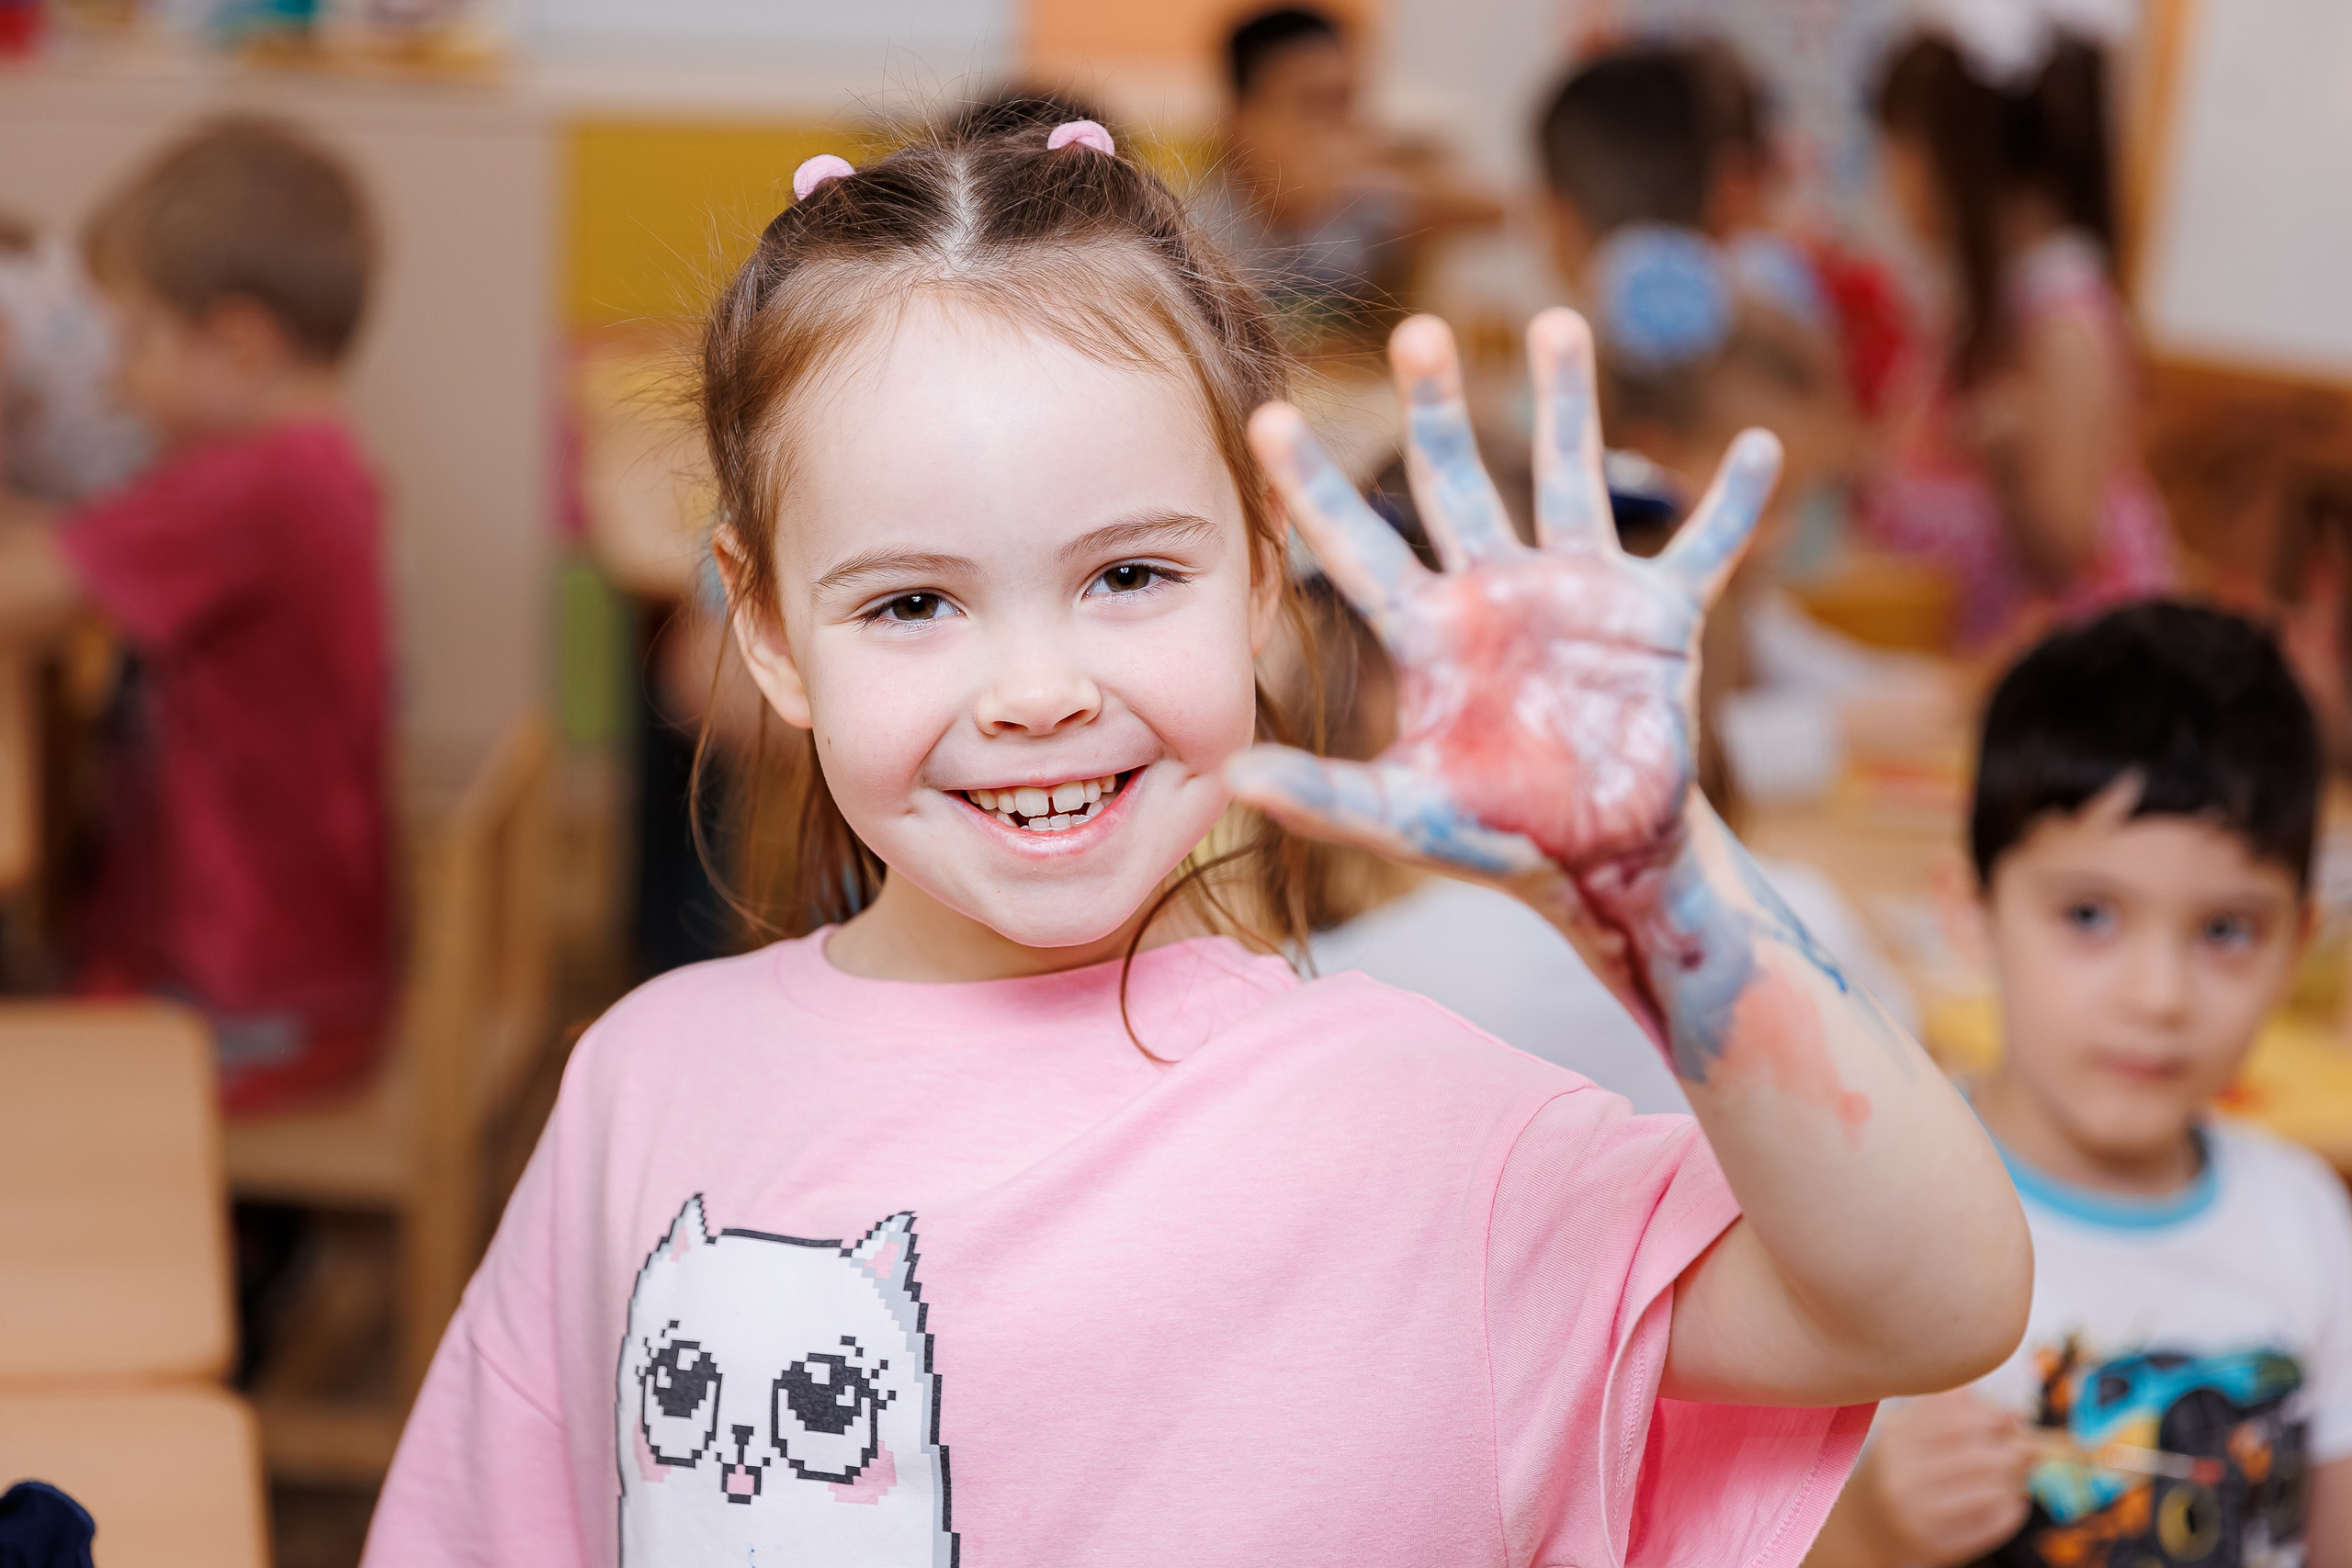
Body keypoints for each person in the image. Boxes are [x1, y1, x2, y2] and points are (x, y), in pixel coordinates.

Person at [362, 118, 2029, 1566]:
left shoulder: (1423, 1130)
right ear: (773, 630)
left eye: (1130, 575)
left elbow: (1931, 1301)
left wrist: (1662, 884)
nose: (1036, 690)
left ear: (1262, 577)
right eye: (914, 602)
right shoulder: (644, 1083)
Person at [1805, 603, 2352, 1568]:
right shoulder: (1864, 1212)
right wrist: (1872, 1528)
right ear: (1970, 911)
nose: (2158, 995)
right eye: (2090, 916)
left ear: (2295, 944)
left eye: (2225, 930)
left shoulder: (2306, 1217)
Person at [0, 117, 392, 1115]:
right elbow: (72, 549)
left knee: (29, 1091)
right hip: (293, 961)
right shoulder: (308, 465)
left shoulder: (246, 490)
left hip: (243, 994)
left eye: (134, 341)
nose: (114, 377)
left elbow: (24, 592)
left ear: (236, 344)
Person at [1862, 30, 2172, 649]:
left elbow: (2065, 542)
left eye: (1901, 152)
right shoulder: (1987, 304)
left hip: (2055, 657)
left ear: (1959, 156)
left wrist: (2012, 461)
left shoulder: (2060, 322)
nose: (1891, 183)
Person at [1199, 6, 1499, 349]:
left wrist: (1375, 170)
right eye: (1309, 106)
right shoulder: (1201, 229)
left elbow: (1495, 210)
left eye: (1343, 103)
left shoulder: (1361, 205)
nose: (1332, 130)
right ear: (1242, 119)